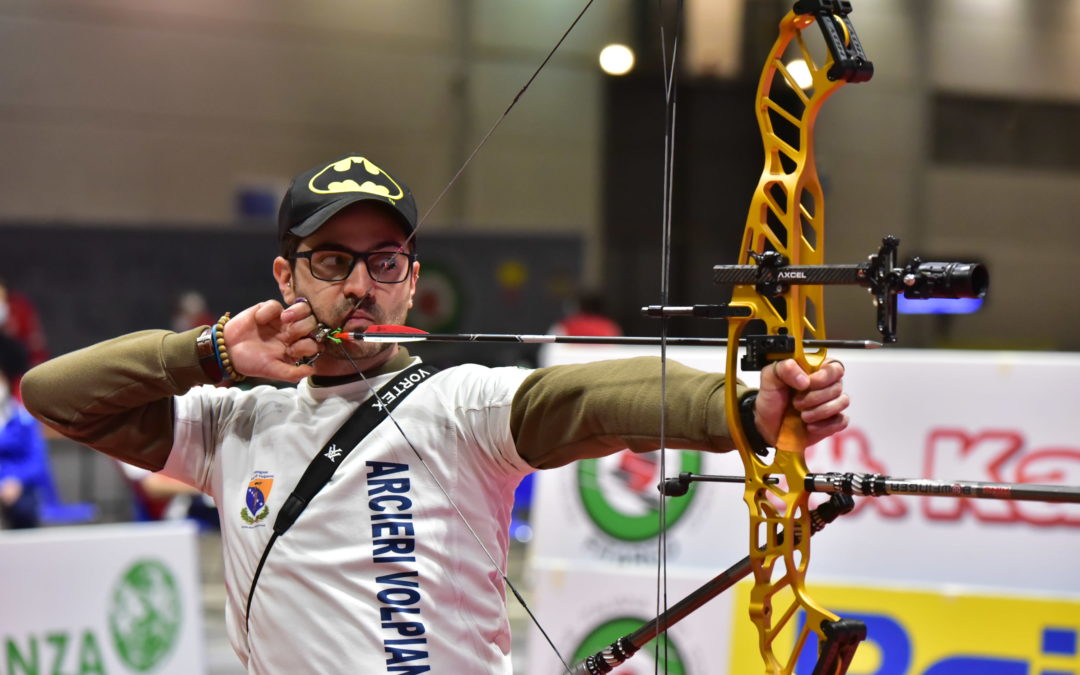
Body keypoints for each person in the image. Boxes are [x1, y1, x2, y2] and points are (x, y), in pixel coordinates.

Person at [22, 153, 849, 674]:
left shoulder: (459, 406)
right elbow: (52, 395)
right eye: (332, 260)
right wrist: (211, 351)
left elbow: (586, 399)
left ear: (412, 282)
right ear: (286, 276)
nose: (359, 285)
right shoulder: (230, 423)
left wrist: (741, 408)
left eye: (384, 261)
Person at [0, 334, 48, 529]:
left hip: (20, 493)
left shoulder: (23, 419)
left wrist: (16, 481)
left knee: (25, 508)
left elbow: (36, 461)